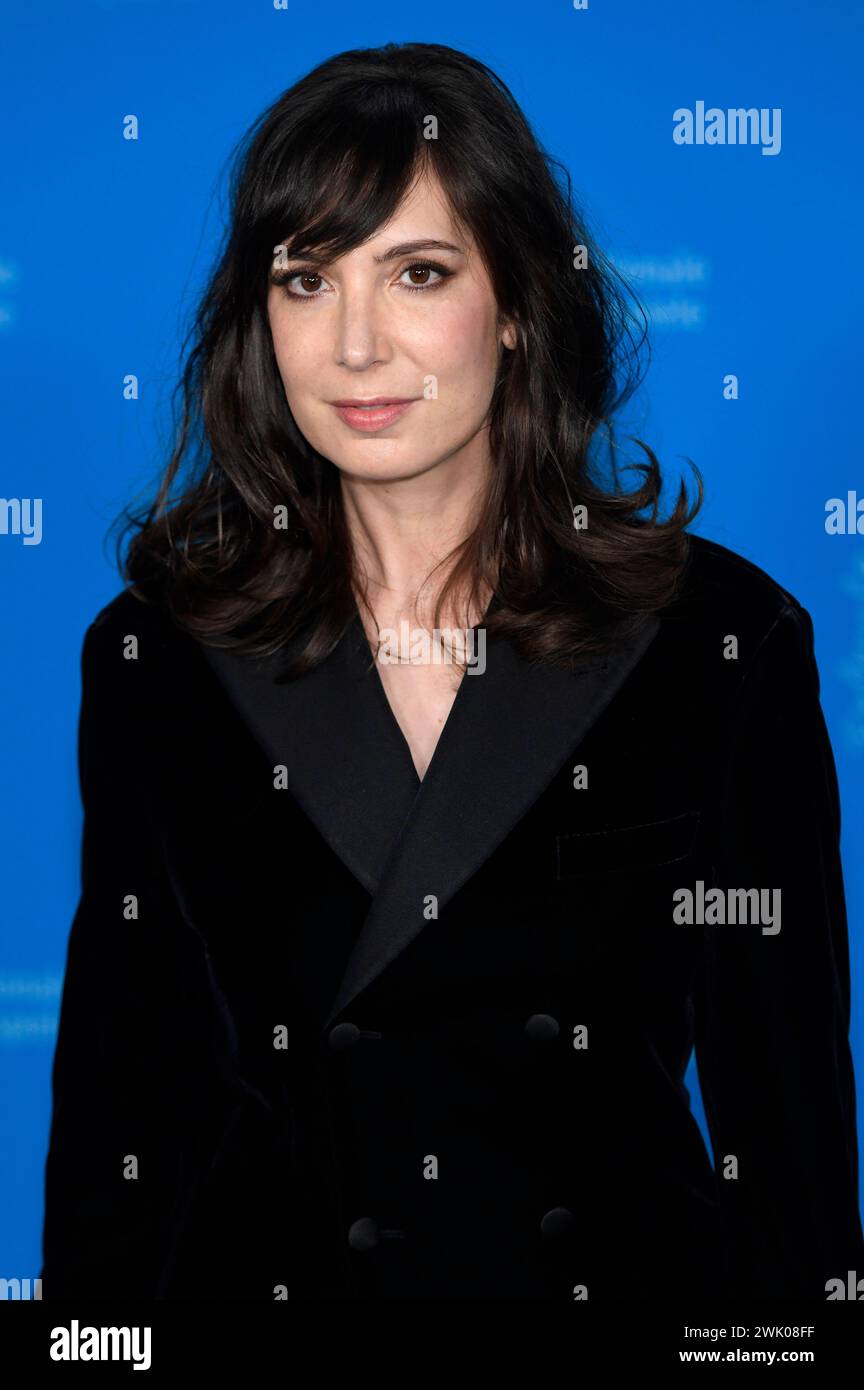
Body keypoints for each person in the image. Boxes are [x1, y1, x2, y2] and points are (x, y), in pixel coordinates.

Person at [41, 41, 864, 1301]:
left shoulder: (723, 642)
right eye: (307, 280)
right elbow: (123, 1107)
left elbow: (785, 1115)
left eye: (417, 273)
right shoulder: (158, 656)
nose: (357, 345)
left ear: (522, 301)